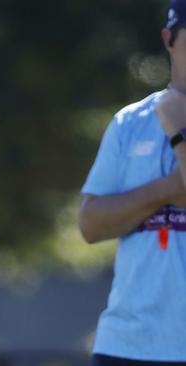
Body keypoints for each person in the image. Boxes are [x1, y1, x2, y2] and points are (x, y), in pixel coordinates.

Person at [78, 1, 186, 365]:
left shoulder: (166, 119)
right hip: (126, 347)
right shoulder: (130, 122)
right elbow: (90, 224)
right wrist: (168, 190)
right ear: (169, 38)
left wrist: (177, 132)